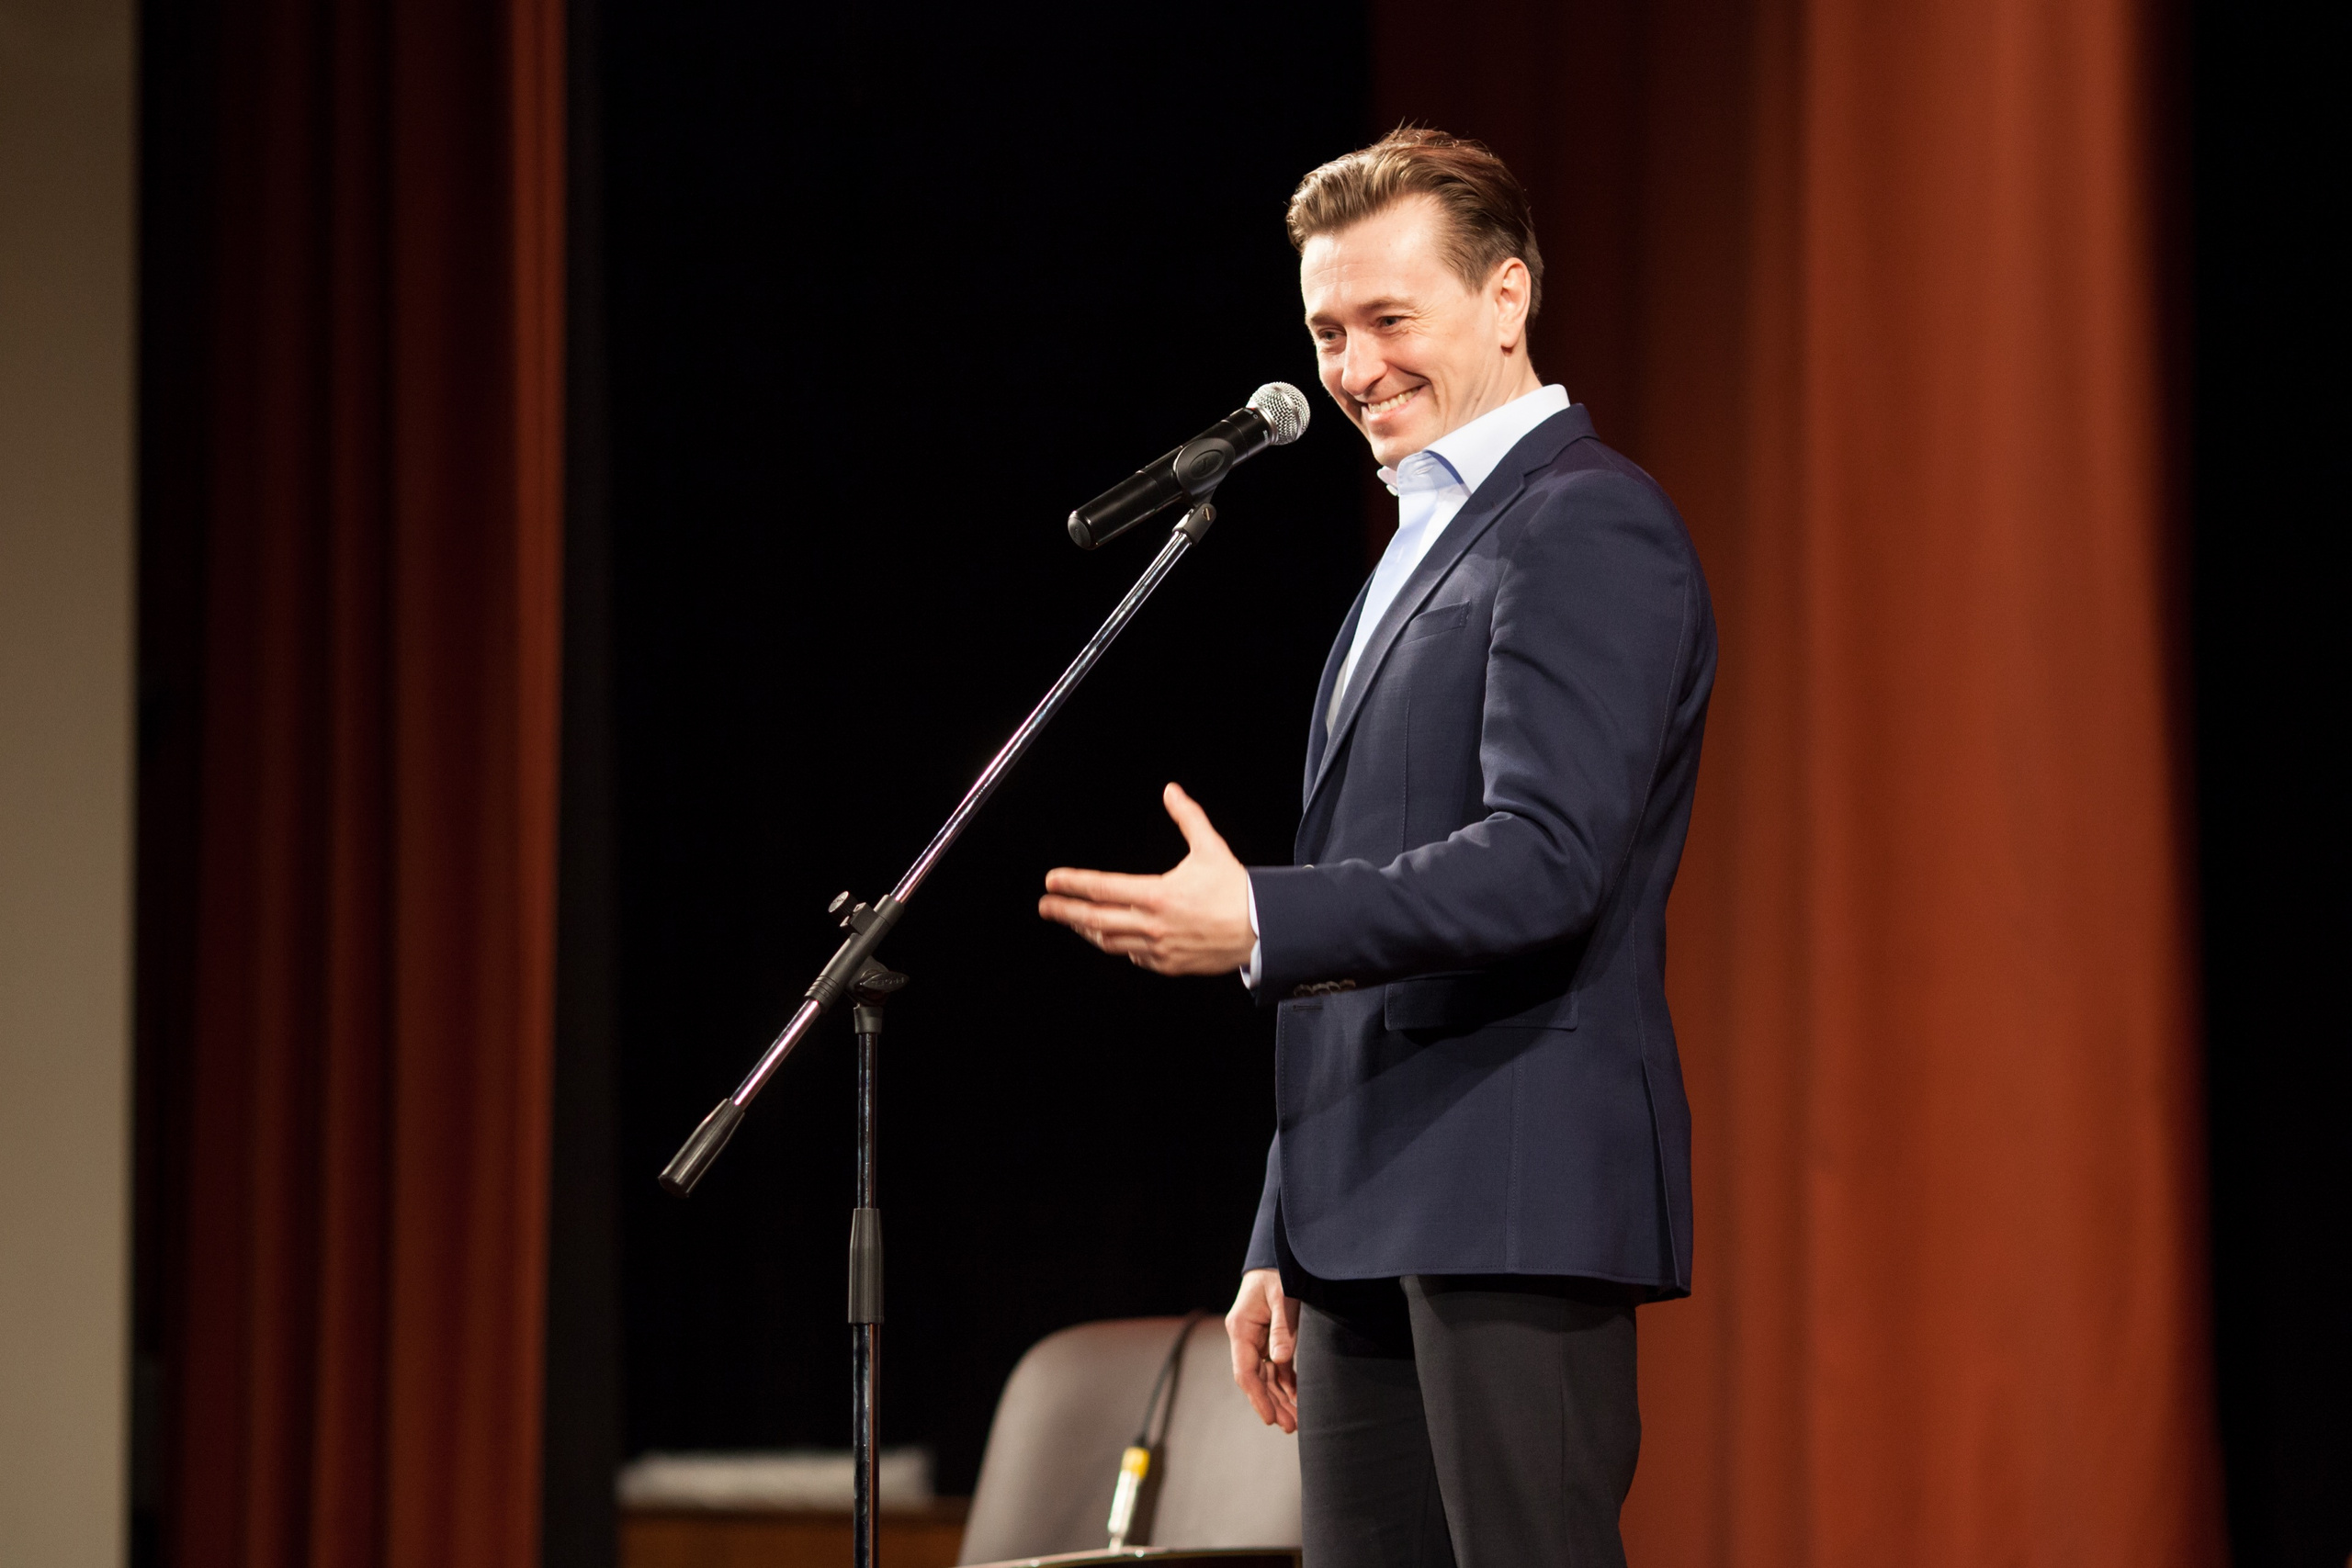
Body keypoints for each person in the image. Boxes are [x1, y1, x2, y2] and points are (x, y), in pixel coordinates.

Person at [1037, 129, 1715, 1568]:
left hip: (1513, 1195)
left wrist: (1263, 923)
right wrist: (1286, 1220)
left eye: (1388, 321)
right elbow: (1386, 906)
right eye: (1327, 331)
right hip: (1361, 1213)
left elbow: (1545, 860)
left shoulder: (1584, 525)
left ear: (1508, 299)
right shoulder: (1417, 547)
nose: (1351, 369)